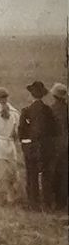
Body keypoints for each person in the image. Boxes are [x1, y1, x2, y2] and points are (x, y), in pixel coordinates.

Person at [18, 81, 60, 210]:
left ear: (31, 95)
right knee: (46, 175)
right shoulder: (48, 110)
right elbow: (55, 130)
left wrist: (26, 145)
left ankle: (33, 203)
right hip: (46, 148)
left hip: (31, 148)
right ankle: (47, 202)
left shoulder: (26, 111)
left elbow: (21, 131)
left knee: (32, 175)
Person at [50, 83, 69, 211]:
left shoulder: (51, 109)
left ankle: (56, 201)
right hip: (66, 143)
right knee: (64, 172)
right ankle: (63, 201)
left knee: (54, 172)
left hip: (55, 145)